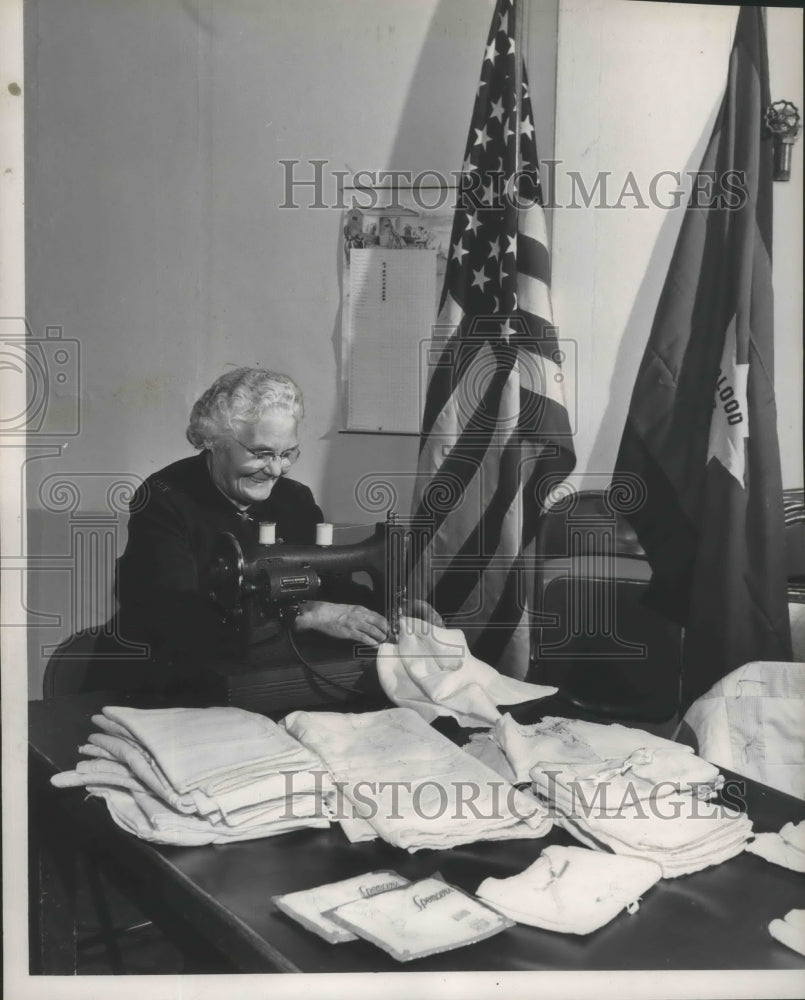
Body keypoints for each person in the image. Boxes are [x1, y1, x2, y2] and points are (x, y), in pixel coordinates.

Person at [111, 367, 393, 690]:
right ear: (215, 442)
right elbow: (179, 619)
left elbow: (331, 587)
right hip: (169, 684)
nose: (275, 470)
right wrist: (308, 615)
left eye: (287, 454)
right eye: (261, 454)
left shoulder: (295, 500)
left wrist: (389, 610)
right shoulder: (163, 500)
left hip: (263, 677)